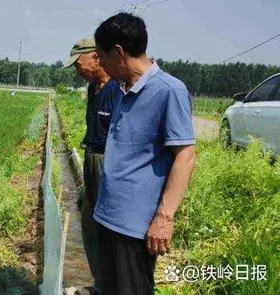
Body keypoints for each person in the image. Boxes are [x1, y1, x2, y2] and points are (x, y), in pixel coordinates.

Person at [93, 13, 197, 294]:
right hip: (108, 215)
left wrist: (164, 217)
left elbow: (185, 156)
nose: (99, 63)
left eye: (101, 56)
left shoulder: (169, 91)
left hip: (135, 226)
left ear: (118, 52)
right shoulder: (119, 88)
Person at [64, 37, 121, 295]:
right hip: (91, 157)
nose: (77, 71)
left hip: (109, 161)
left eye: (78, 64)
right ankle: (101, 282)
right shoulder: (93, 89)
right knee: (90, 224)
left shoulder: (118, 89)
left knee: (109, 226)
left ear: (97, 57)